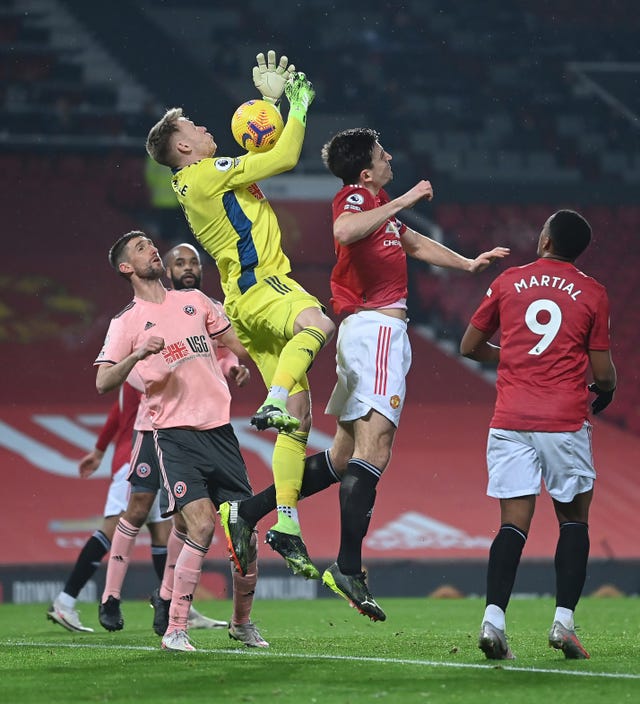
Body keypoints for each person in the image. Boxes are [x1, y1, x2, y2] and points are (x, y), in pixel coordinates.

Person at [145, 51, 335, 579]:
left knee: (300, 422)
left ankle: (288, 523)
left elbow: (252, 155)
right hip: (263, 285)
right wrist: (296, 109)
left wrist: (269, 105)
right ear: (183, 146)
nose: (208, 129)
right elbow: (282, 160)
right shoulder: (204, 176)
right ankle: (272, 400)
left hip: (242, 300)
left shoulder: (199, 181)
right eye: (197, 128)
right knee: (319, 324)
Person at [316, 127, 509, 621]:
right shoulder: (357, 197)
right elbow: (343, 231)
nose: (390, 158)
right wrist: (405, 198)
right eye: (382, 155)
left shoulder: (378, 212)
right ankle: (348, 566)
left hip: (369, 332)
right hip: (376, 329)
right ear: (365, 171)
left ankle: (251, 511)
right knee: (374, 450)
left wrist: (467, 263)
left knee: (342, 456)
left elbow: (414, 242)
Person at [95, 230, 266, 652]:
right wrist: (137, 354)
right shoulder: (126, 323)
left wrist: (249, 358)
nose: (152, 249)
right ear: (126, 268)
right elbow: (103, 381)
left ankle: (241, 623)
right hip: (174, 435)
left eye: (151, 245)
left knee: (243, 533)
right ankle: (175, 627)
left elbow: (235, 347)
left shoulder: (196, 303)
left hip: (221, 433)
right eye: (141, 249)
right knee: (202, 525)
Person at [460, 209, 616, 660]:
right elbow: (602, 373)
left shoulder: (509, 281)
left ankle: (493, 620)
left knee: (512, 525)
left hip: (510, 421)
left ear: (545, 238)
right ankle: (563, 624)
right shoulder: (593, 292)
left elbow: (469, 347)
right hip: (564, 422)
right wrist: (606, 388)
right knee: (573, 521)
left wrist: (512, 357)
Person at [47, 382, 170, 633]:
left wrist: (99, 451)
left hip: (149, 458)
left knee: (162, 535)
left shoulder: (135, 372)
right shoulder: (147, 367)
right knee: (111, 531)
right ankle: (65, 601)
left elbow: (119, 410)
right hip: (136, 460)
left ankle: (179, 607)